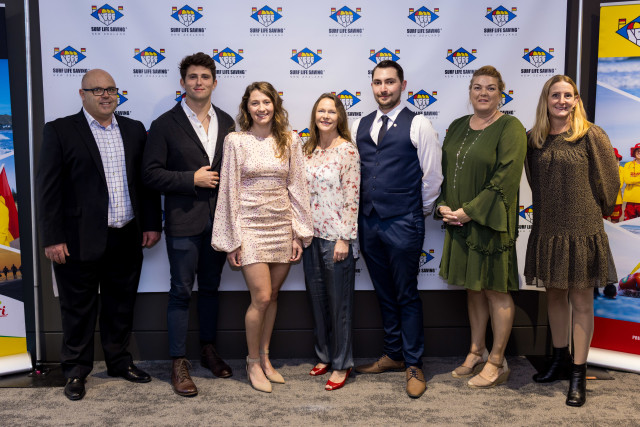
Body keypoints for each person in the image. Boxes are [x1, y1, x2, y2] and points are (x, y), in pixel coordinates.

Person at [36, 69, 162, 401]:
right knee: (78, 309)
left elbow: (146, 184)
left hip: (126, 234)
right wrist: (52, 237)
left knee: (121, 305)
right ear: (83, 95)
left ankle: (119, 362)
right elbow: (48, 189)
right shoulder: (60, 130)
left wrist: (152, 224)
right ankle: (76, 371)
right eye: (97, 90)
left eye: (111, 89)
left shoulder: (134, 130)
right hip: (77, 238)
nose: (105, 95)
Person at [142, 52, 235, 397]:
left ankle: (208, 350)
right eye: (192, 77)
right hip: (182, 222)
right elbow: (150, 174)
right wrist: (189, 179)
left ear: (214, 82)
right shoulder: (165, 124)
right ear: (182, 82)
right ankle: (178, 362)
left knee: (211, 289)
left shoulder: (227, 121)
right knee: (181, 291)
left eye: (205, 77)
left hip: (219, 223)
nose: (199, 82)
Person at [211, 81, 313, 393]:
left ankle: (266, 358)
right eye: (255, 103)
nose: (261, 108)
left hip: (281, 226)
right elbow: (228, 190)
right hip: (250, 228)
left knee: (274, 296)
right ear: (247, 107)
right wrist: (233, 238)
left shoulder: (290, 140)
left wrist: (298, 233)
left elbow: (297, 186)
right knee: (263, 297)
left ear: (275, 106)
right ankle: (252, 362)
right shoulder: (235, 141)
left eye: (266, 102)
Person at [525, 75, 619, 407]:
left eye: (568, 95)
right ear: (546, 100)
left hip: (582, 228)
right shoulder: (534, 138)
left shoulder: (591, 134)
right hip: (548, 228)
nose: (562, 101)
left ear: (576, 100)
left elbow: (610, 180)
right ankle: (560, 360)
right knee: (554, 295)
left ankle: (578, 373)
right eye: (556, 95)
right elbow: (533, 180)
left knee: (581, 301)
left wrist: (600, 210)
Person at [351, 60, 442, 399]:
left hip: (404, 221)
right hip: (368, 222)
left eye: (390, 82)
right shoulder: (360, 124)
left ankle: (414, 363)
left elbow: (432, 177)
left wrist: (415, 211)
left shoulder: (419, 124)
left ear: (403, 85)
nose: (383, 88)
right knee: (384, 293)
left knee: (406, 294)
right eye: (378, 82)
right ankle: (392, 354)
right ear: (372, 86)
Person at [436, 66, 526, 389]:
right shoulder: (458, 125)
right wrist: (443, 204)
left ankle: (497, 361)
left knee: (496, 290)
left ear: (501, 93)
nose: (483, 93)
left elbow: (506, 178)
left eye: (490, 88)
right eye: (477, 87)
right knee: (473, 288)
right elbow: (445, 171)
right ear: (470, 92)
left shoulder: (511, 127)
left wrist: (470, 212)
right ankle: (476, 351)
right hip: (459, 222)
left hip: (491, 223)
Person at [302, 93, 360, 391]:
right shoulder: (308, 149)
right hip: (310, 237)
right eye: (321, 110)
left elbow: (352, 198)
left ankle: (342, 364)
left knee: (340, 307)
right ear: (314, 115)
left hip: (336, 239)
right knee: (318, 302)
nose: (325, 116)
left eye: (331, 111)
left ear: (340, 117)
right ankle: (324, 355)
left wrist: (345, 239)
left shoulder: (347, 151)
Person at [604, 148, 623, 223]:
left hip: (617, 201)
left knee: (615, 222)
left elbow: (619, 185)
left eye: (614, 157)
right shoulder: (602, 170)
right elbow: (599, 184)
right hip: (604, 201)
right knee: (603, 223)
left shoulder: (621, 169)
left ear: (617, 159)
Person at [622, 142, 640, 220]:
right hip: (630, 200)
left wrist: (633, 180)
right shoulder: (627, 165)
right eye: (637, 150)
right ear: (634, 152)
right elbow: (627, 180)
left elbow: (630, 180)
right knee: (628, 223)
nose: (639, 152)